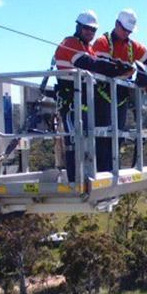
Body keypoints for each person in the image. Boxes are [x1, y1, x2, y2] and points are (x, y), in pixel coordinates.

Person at [53, 10, 130, 180]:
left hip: (85, 101)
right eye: (87, 29)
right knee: (75, 141)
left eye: (93, 30)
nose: (90, 33)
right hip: (72, 101)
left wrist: (115, 65)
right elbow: (89, 63)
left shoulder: (87, 47)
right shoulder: (70, 43)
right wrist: (114, 67)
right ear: (78, 27)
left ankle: (96, 173)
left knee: (92, 140)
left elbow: (98, 62)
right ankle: (76, 180)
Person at [89, 9, 147, 172]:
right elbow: (101, 67)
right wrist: (124, 71)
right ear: (117, 24)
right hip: (102, 97)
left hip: (121, 99)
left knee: (117, 138)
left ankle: (111, 173)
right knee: (103, 138)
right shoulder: (102, 42)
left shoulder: (132, 46)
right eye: (124, 30)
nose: (126, 34)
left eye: (129, 31)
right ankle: (102, 173)